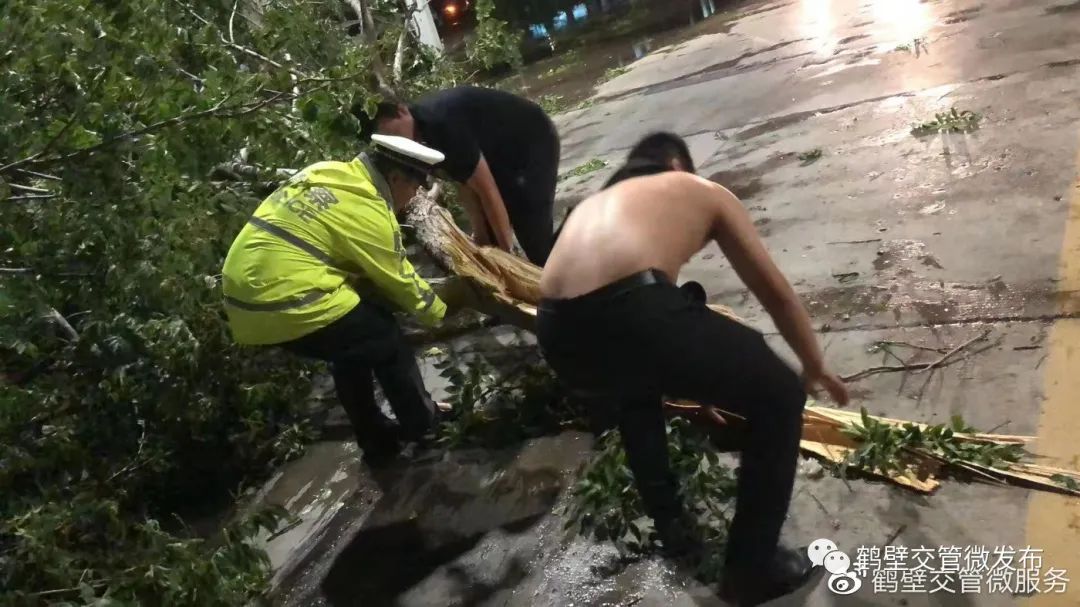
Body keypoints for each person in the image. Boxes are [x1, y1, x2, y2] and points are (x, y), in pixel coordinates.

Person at [535, 132, 850, 606]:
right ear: (678, 167)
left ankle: (675, 532)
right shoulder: (701, 192)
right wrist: (811, 364)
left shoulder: (593, 204)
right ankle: (751, 571)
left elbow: (660, 340)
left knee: (636, 395)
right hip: (632, 313)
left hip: (557, 336)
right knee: (780, 395)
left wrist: (704, 389)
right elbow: (775, 293)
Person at [221, 134, 469, 467]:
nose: (412, 197)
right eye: (414, 188)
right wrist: (445, 308)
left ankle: (376, 439)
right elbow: (399, 281)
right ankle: (423, 425)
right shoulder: (367, 209)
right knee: (383, 335)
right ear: (395, 178)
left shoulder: (327, 171)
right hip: (285, 301)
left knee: (350, 347)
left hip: (244, 303)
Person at [369, 86, 561, 266]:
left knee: (533, 235)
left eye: (392, 133)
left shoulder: (441, 124)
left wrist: (508, 258)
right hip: (495, 156)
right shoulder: (418, 141)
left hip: (531, 140)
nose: (395, 142)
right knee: (490, 240)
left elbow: (488, 191)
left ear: (402, 112)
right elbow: (464, 181)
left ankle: (571, 280)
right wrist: (480, 236)